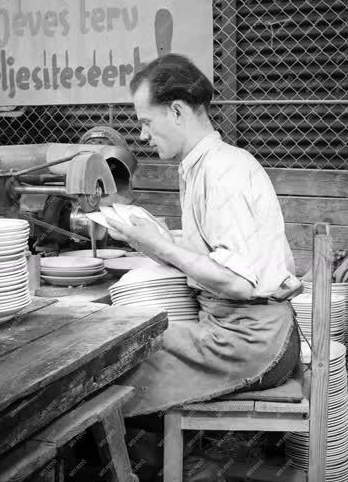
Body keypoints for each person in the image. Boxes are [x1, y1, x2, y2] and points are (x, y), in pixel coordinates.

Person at [105, 54, 301, 480]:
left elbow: (237, 281)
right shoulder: (200, 167)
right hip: (239, 331)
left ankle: (163, 470)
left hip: (251, 342)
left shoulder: (224, 172)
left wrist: (158, 243)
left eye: (146, 121)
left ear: (176, 111)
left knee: (112, 370)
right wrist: (149, 238)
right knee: (122, 352)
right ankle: (175, 466)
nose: (142, 134)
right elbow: (218, 260)